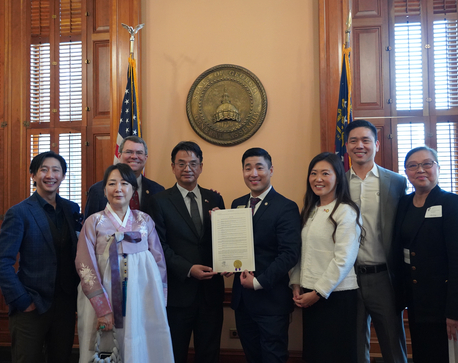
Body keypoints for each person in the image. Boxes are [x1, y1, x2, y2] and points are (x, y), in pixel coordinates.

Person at [75, 163, 173, 363]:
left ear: (133, 190)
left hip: (142, 296)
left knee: (142, 343)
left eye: (124, 183)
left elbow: (159, 261)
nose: (118, 188)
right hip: (105, 297)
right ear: (104, 190)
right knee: (105, 348)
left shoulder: (144, 221)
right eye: (112, 183)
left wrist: (159, 299)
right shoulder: (93, 223)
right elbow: (85, 265)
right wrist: (102, 308)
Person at [0, 151, 81, 363]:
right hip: (30, 305)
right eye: (44, 169)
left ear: (63, 176)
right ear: (33, 175)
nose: (50, 175)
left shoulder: (72, 209)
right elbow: (1, 262)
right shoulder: (19, 212)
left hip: (65, 305)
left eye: (56, 170)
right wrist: (22, 300)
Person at [394, 146, 458, 363]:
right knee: (424, 356)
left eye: (426, 164)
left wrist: (456, 312)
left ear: (438, 168)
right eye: (413, 166)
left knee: (450, 358)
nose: (420, 170)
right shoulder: (404, 204)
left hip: (447, 303)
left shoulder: (452, 203)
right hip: (418, 302)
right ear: (406, 173)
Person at [148, 141, 225, 363]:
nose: (187, 168)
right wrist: (188, 269)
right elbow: (159, 246)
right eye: (181, 163)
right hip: (178, 293)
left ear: (201, 166)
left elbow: (223, 240)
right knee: (175, 352)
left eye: (193, 163)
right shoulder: (159, 202)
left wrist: (230, 263)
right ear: (172, 167)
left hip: (211, 292)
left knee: (209, 353)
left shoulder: (215, 198)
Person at [289, 152, 364, 362]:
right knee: (316, 353)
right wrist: (296, 282)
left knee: (336, 355)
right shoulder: (311, 209)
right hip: (309, 293)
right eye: (313, 173)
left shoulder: (346, 211)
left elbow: (344, 259)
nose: (318, 178)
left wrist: (318, 292)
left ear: (338, 177)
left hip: (336, 296)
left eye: (325, 173)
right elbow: (302, 251)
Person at [345, 119, 408, 363]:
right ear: (347, 146)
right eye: (353, 140)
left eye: (365, 140)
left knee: (393, 345)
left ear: (377, 144)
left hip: (384, 277)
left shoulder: (396, 182)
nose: (359, 145)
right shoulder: (337, 181)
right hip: (348, 276)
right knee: (355, 346)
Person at [229, 147, 301, 363]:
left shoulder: (286, 207)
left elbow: (289, 254)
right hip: (242, 301)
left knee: (273, 357)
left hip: (271, 300)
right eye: (247, 168)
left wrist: (259, 281)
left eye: (259, 167)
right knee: (252, 356)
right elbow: (234, 247)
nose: (253, 173)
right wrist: (226, 263)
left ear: (270, 170)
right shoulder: (236, 204)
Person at [84, 136, 164, 217]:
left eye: (139, 153)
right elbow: (89, 226)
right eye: (129, 152)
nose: (134, 156)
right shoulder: (97, 190)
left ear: (145, 158)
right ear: (119, 156)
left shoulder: (157, 190)